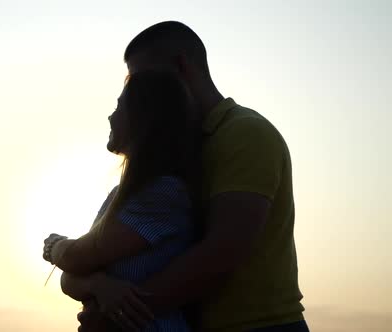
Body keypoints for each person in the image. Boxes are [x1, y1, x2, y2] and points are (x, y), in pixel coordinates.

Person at [61, 21, 309, 332]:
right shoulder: (180, 154)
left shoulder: (245, 133)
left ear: (180, 66)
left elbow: (220, 254)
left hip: (258, 325)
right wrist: (100, 289)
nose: (136, 92)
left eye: (142, 79)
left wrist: (117, 315)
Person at [43, 71, 203, 331]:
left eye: (119, 107)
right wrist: (98, 286)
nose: (110, 116)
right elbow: (69, 278)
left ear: (144, 120)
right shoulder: (120, 195)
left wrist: (54, 246)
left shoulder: (164, 193)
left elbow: (76, 260)